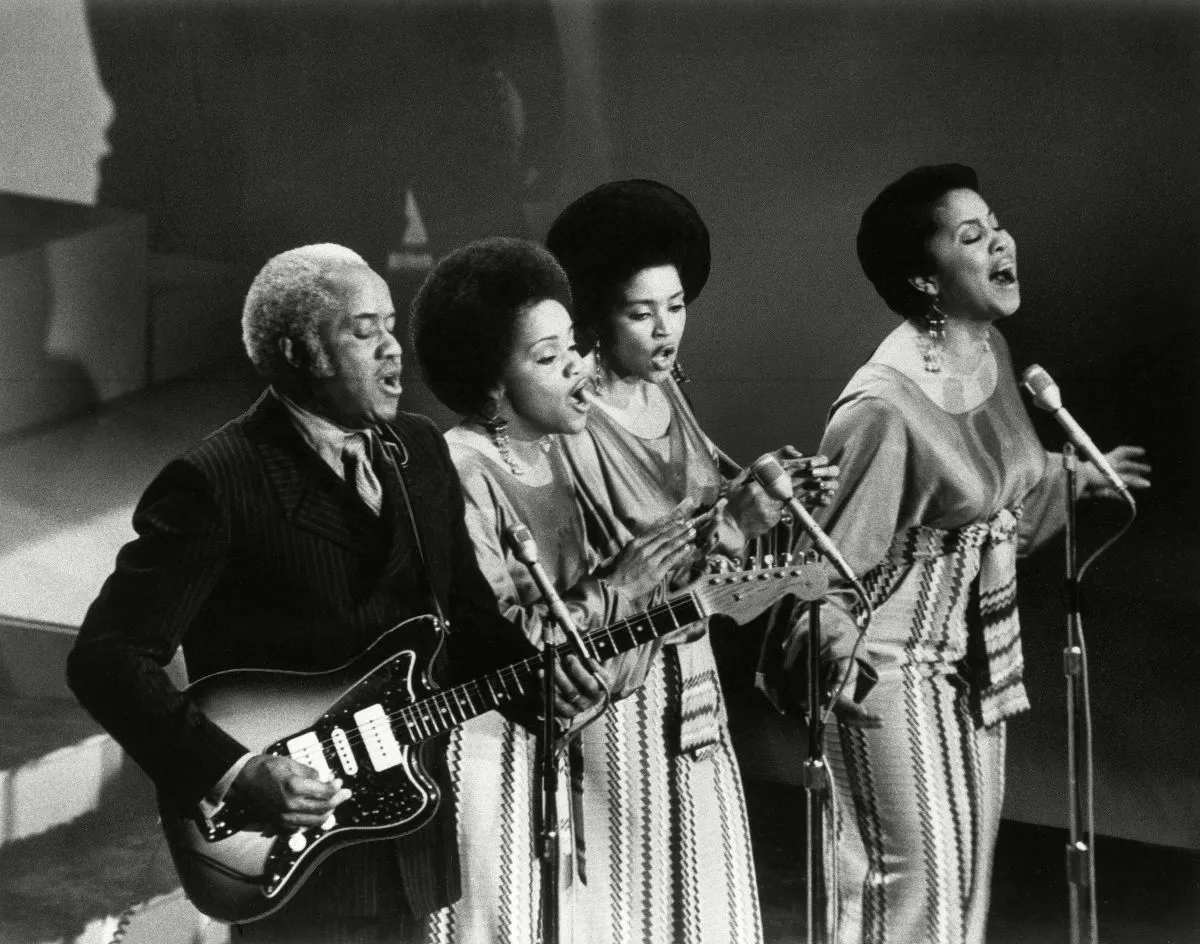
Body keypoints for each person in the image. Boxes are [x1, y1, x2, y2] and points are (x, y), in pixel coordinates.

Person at [66, 244, 605, 944]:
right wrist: (236, 771)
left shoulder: (417, 450)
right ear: (301, 352)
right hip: (293, 852)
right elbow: (107, 658)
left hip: (408, 846)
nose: (392, 352)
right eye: (363, 332)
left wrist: (536, 683)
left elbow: (465, 620)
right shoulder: (216, 480)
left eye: (391, 326)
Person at [757, 164, 1152, 944]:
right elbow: (832, 564)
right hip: (883, 668)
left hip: (967, 665)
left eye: (995, 225)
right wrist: (829, 646)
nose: (1001, 240)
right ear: (923, 278)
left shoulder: (992, 352)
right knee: (914, 886)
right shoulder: (883, 407)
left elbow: (1000, 485)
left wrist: (1072, 474)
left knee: (963, 885)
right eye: (971, 236)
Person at [544, 179, 837, 943]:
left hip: (695, 680)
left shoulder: (669, 389)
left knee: (704, 886)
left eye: (676, 307)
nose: (666, 330)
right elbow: (612, 565)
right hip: (620, 683)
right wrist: (730, 526)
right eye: (641, 313)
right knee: (632, 891)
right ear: (598, 318)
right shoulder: (572, 422)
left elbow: (706, 514)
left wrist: (766, 493)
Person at [409, 236, 705, 943]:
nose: (577, 369)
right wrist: (621, 587)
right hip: (486, 753)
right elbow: (504, 648)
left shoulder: (556, 452)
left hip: (557, 752)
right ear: (490, 387)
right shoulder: (464, 472)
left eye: (570, 346)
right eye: (546, 358)